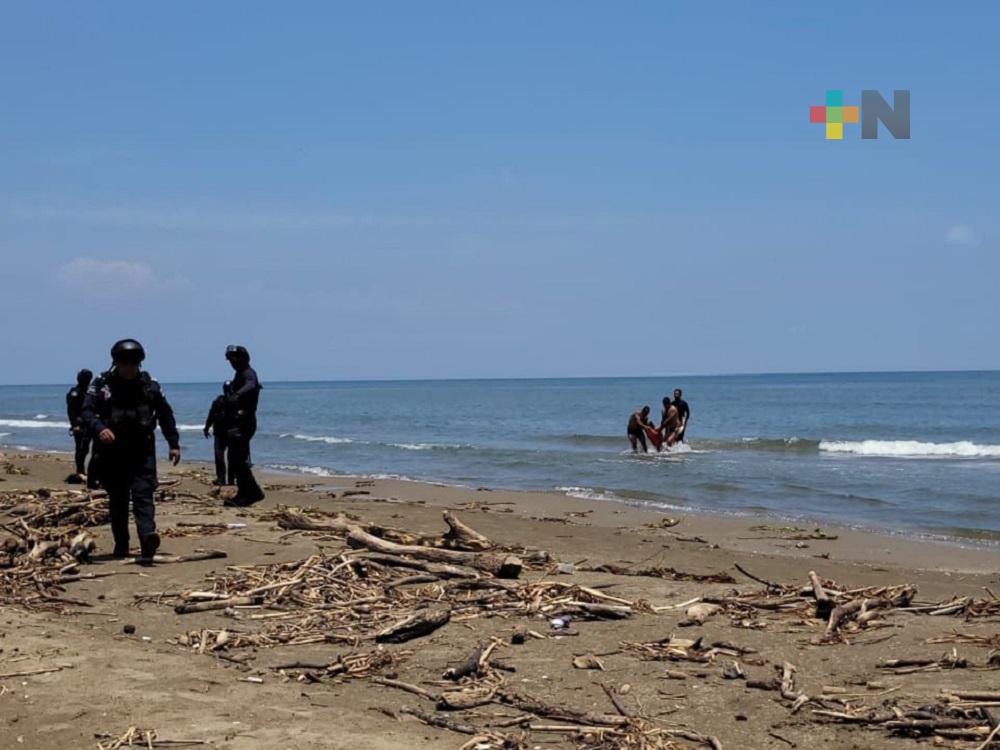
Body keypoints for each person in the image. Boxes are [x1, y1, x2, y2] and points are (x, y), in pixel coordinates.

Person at [81, 339, 180, 564]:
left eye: (133, 363)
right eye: (125, 363)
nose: (129, 367)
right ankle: (121, 545)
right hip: (112, 452)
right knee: (118, 499)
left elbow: (165, 414)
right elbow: (86, 412)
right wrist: (100, 428)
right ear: (116, 362)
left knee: (144, 494)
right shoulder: (101, 384)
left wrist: (173, 443)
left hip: (142, 450)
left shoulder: (149, 385)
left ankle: (147, 540)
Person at [224, 344, 264, 506]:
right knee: (234, 458)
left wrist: (237, 395)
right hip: (236, 421)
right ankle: (244, 492)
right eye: (231, 360)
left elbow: (251, 384)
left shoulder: (248, 373)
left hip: (245, 421)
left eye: (236, 359)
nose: (233, 362)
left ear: (244, 358)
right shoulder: (238, 374)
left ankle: (252, 492)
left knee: (239, 459)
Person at [65, 369, 93, 482]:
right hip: (79, 425)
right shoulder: (75, 392)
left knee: (87, 449)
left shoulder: (90, 392)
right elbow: (71, 410)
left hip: (89, 424)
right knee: (80, 449)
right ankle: (80, 470)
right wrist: (74, 424)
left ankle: (90, 471)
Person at [203, 382, 234, 486]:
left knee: (227, 456)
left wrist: (207, 427)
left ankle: (228, 479)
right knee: (221, 456)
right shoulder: (219, 401)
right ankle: (224, 479)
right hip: (222, 432)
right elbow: (211, 414)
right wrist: (207, 427)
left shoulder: (234, 401)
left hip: (229, 432)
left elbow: (211, 414)